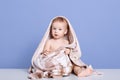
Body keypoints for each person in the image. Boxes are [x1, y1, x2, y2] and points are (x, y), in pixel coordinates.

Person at [28, 16, 93, 79]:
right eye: (54, 29)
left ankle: (79, 72)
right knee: (48, 63)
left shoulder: (66, 42)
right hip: (53, 62)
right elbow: (45, 52)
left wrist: (68, 51)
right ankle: (54, 73)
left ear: (65, 31)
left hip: (65, 64)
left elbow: (71, 53)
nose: (56, 31)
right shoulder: (50, 41)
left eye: (59, 29)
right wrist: (46, 52)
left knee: (74, 64)